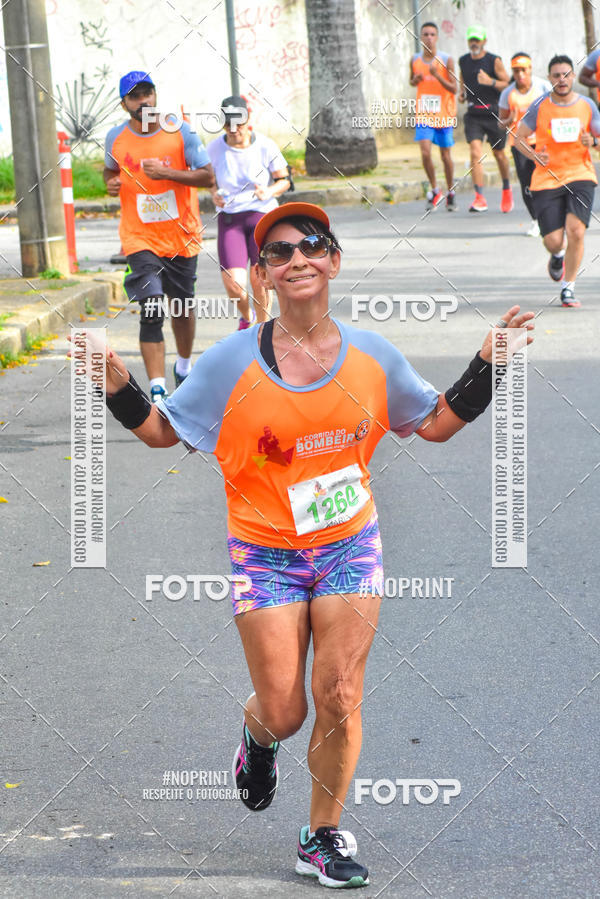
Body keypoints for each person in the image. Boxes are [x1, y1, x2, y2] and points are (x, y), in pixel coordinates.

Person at [89, 202, 534, 889]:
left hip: (347, 544)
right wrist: (117, 383)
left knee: (339, 690)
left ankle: (320, 834)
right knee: (287, 709)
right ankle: (258, 738)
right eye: (278, 251)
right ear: (262, 275)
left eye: (311, 245)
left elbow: (436, 423)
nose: (297, 257)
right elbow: (160, 432)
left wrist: (488, 364)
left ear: (333, 260)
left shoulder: (372, 356)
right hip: (263, 553)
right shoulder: (229, 363)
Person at [104, 71, 215, 402]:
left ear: (155, 95)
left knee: (181, 307)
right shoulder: (115, 137)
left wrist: (167, 173)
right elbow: (110, 170)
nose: (144, 101)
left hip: (181, 235)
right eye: (136, 96)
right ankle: (157, 389)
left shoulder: (180, 131)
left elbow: (208, 176)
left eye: (148, 93)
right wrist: (109, 184)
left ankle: (183, 365)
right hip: (139, 238)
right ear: (124, 104)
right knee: (151, 306)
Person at [516, 55, 600, 307]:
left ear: (573, 77)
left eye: (566, 74)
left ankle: (568, 287)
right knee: (553, 241)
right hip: (547, 179)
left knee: (576, 231)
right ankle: (558, 255)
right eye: (556, 75)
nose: (561, 80)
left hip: (580, 175)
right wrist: (534, 155)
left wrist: (593, 142)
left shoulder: (587, 105)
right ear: (549, 78)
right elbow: (519, 137)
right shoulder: (539, 105)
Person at [207, 95, 290, 328]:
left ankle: (263, 329)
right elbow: (208, 179)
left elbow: (284, 180)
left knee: (260, 279)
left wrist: (270, 191)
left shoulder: (265, 145)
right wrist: (214, 193)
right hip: (230, 218)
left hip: (261, 216)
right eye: (228, 124)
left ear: (248, 120)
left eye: (239, 123)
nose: (234, 130)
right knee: (234, 283)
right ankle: (247, 316)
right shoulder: (214, 148)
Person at [458, 25, 513, 212]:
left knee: (499, 154)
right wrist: (461, 93)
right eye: (471, 39)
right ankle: (479, 197)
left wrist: (490, 82)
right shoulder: (463, 61)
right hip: (473, 114)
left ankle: (506, 189)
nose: (474, 43)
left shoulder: (493, 61)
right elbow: (463, 81)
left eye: (477, 39)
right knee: (475, 152)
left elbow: (508, 84)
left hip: (494, 114)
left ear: (484, 41)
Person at [498, 53, 551, 236]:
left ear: (530, 69)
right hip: (519, 144)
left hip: (542, 141)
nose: (520, 74)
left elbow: (556, 109)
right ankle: (535, 220)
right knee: (526, 183)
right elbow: (500, 122)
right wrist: (509, 120)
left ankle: (550, 217)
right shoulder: (508, 93)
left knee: (546, 180)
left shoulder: (543, 87)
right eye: (516, 71)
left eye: (523, 70)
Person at [409, 21, 458, 210]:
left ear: (437, 37)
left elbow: (454, 88)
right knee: (425, 152)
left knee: (446, 156)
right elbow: (412, 81)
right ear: (420, 38)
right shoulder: (415, 59)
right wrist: (416, 80)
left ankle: (450, 191)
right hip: (424, 114)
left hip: (444, 114)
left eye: (432, 34)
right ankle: (435, 188)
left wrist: (438, 76)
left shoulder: (446, 60)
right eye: (425, 34)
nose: (428, 38)